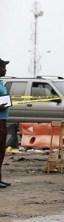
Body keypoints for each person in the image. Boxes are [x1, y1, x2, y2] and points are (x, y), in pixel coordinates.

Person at [0, 59, 11, 189]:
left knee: (1, 150)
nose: (5, 70)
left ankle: (0, 178)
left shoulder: (1, 82)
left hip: (3, 119)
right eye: (3, 67)